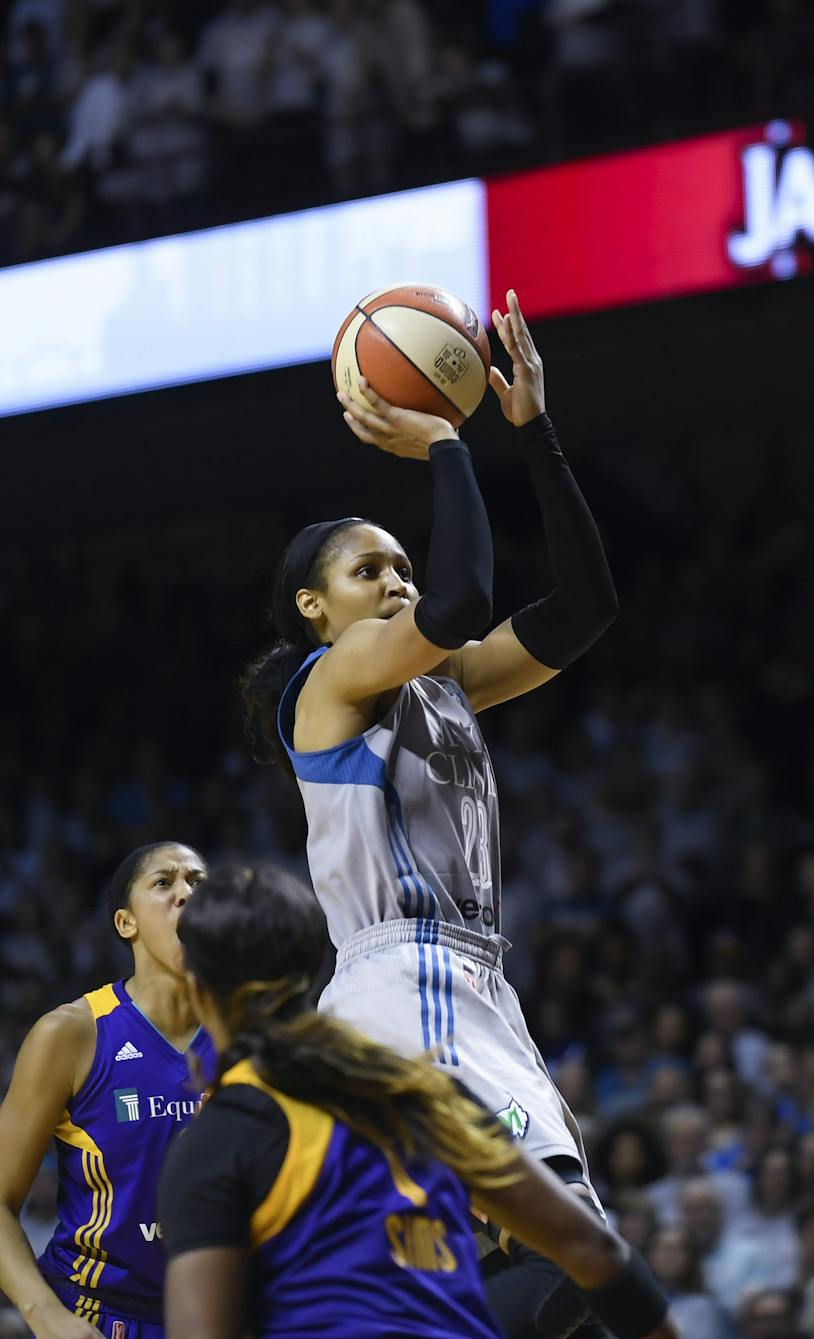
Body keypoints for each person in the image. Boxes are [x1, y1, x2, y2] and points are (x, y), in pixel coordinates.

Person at [237, 290, 620, 1336]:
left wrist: (533, 434)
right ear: (315, 607)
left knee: (523, 1272)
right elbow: (458, 601)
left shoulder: (438, 685)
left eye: (404, 564)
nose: (400, 583)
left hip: (467, 984)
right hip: (406, 982)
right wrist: (448, 445)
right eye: (370, 571)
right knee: (577, 1259)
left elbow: (584, 609)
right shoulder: (326, 676)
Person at [157, 861, 672, 1339]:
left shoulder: (220, 1139)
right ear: (315, 969)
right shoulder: (423, 1094)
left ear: (197, 986)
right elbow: (590, 1250)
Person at [0, 842, 211, 1339]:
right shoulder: (72, 1033)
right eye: (163, 883)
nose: (185, 893)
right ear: (126, 924)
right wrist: (45, 1315)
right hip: (96, 1314)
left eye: (198, 883)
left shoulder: (253, 1035)